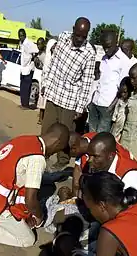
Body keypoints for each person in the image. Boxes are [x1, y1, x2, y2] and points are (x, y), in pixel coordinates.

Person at [41, 17, 96, 170]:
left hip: (70, 99)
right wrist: (45, 83)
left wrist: (80, 107)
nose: (79, 39)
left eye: (83, 37)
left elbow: (86, 82)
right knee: (47, 128)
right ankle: (41, 155)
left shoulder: (89, 53)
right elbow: (53, 63)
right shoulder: (64, 37)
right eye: (77, 35)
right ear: (73, 29)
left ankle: (62, 161)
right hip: (54, 92)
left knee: (65, 134)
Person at [71, 132, 137, 200]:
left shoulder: (128, 176)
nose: (89, 160)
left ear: (110, 156)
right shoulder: (99, 165)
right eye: (89, 155)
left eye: (95, 156)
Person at [89, 30, 131, 132]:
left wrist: (111, 107)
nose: (106, 50)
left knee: (101, 140)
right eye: (104, 47)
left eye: (108, 46)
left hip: (107, 107)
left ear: (116, 43)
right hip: (95, 103)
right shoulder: (104, 58)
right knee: (91, 135)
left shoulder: (123, 61)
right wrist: (91, 101)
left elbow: (124, 88)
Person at [37, 39, 57, 125]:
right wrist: (44, 84)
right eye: (53, 47)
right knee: (43, 101)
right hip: (45, 81)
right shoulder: (46, 57)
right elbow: (44, 70)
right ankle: (41, 118)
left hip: (52, 83)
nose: (54, 49)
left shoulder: (55, 58)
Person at [18, 29, 39, 109]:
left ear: (25, 35)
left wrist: (33, 58)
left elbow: (37, 50)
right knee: (22, 87)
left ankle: (26, 105)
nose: (21, 37)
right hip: (23, 69)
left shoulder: (29, 43)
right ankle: (23, 104)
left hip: (29, 69)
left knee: (27, 87)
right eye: (19, 36)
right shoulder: (22, 44)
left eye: (22, 35)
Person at [111, 76, 133, 142]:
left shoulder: (131, 102)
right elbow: (116, 111)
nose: (123, 94)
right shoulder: (120, 100)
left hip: (125, 128)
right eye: (121, 92)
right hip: (117, 125)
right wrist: (114, 119)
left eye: (125, 92)